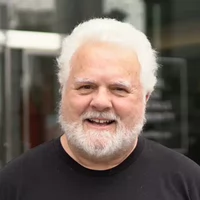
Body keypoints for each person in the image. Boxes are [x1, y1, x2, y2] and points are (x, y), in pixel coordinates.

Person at [0, 18, 200, 200]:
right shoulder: (13, 185)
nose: (101, 102)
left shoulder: (188, 183)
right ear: (62, 90)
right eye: (86, 87)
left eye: (119, 89)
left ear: (145, 98)